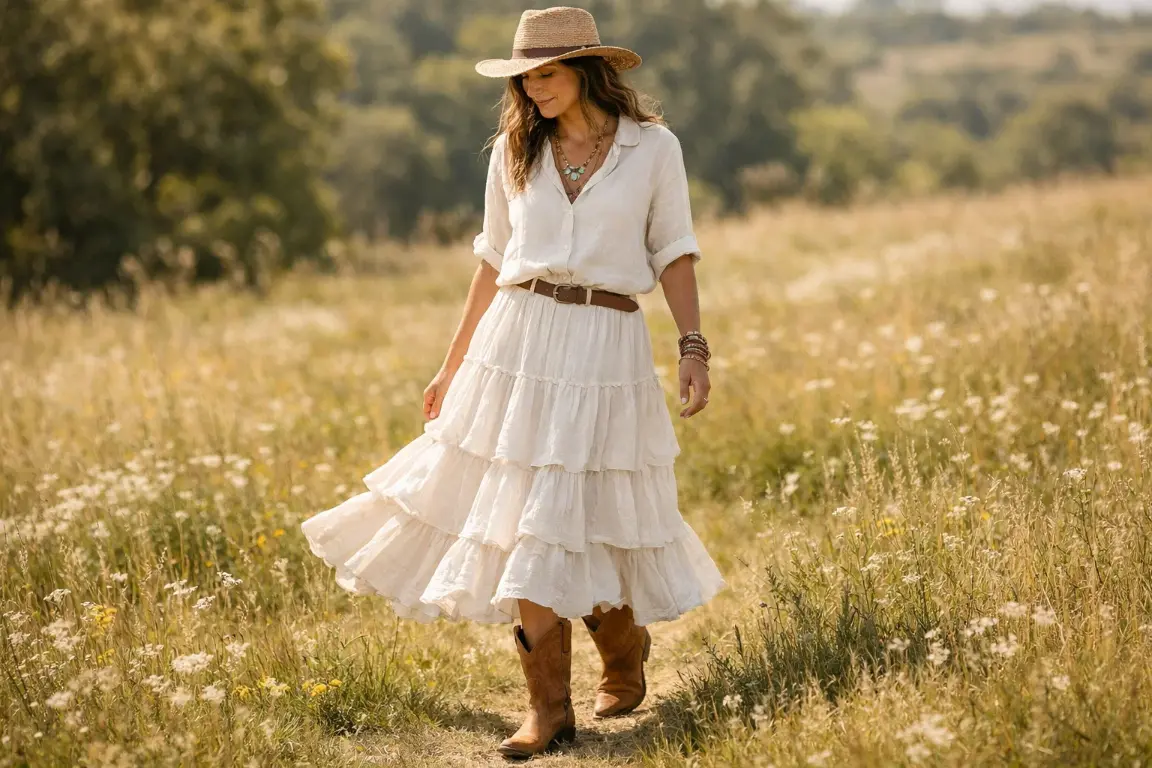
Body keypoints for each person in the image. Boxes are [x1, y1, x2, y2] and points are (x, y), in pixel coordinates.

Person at [299, 5, 727, 760]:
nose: (535, 90)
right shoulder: (512, 151)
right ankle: (550, 711)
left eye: (549, 74)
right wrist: (450, 363)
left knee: (587, 510)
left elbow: (676, 253)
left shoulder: (653, 149)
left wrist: (694, 346)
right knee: (527, 515)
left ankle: (624, 651)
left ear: (589, 70)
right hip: (518, 341)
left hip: (607, 342)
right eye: (526, 78)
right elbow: (493, 262)